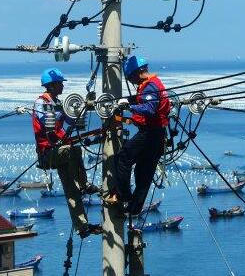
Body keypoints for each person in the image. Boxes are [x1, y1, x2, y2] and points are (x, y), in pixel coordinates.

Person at [32, 67, 101, 238]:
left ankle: (82, 226)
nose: (63, 87)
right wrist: (62, 110)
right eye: (60, 84)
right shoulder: (42, 103)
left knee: (72, 191)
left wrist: (80, 108)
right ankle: (84, 184)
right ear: (53, 85)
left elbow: (73, 121)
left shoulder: (57, 104)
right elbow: (47, 121)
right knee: (74, 149)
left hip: (59, 152)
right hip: (48, 153)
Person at [107, 56, 170, 215]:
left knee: (123, 158)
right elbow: (146, 102)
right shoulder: (154, 84)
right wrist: (131, 101)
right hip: (158, 134)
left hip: (150, 133)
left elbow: (149, 108)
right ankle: (134, 208)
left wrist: (130, 106)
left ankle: (122, 196)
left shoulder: (150, 86)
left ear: (139, 72)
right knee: (143, 172)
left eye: (132, 78)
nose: (133, 82)